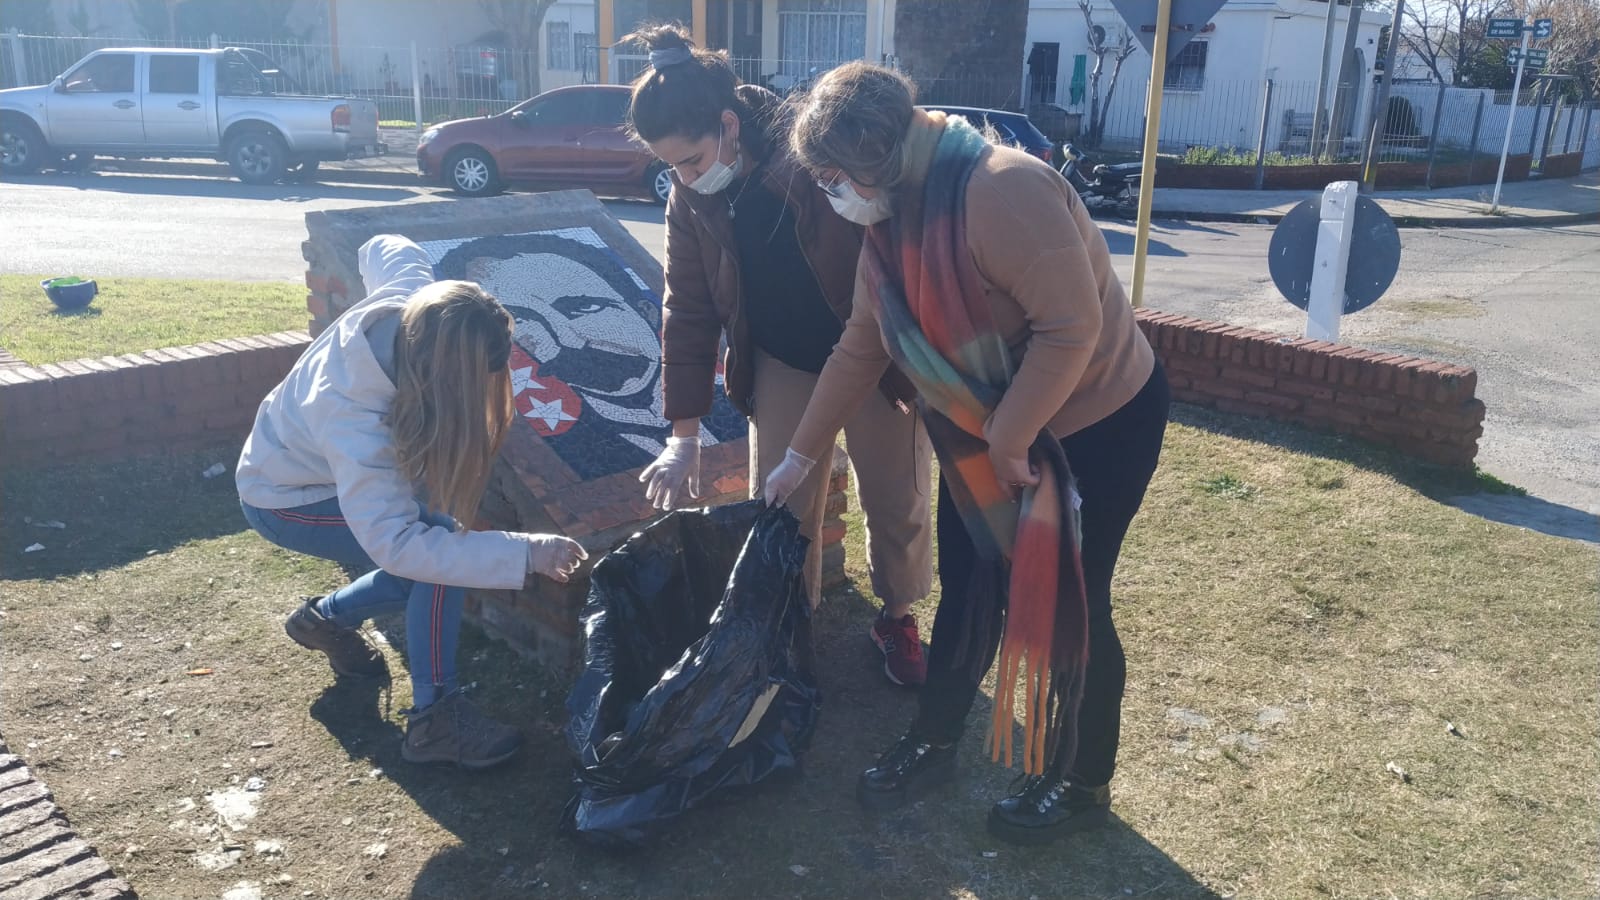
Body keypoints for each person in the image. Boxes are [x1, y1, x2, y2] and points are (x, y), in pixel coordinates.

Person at [764, 63, 1170, 844]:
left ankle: (1082, 780)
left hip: (1096, 419)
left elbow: (1070, 331)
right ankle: (937, 737)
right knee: (971, 585)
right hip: (980, 426)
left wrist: (1012, 438)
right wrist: (798, 457)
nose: (829, 194)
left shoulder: (1003, 189)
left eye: (832, 176)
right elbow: (860, 345)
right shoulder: (889, 219)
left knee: (1070, 605)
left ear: (877, 153)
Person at [622, 25, 936, 686]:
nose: (682, 178)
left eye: (690, 159)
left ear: (730, 126)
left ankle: (898, 615)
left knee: (895, 494)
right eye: (669, 166)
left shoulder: (815, 157)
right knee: (780, 506)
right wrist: (684, 435)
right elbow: (689, 307)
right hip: (783, 360)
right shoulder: (691, 199)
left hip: (873, 354)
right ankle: (788, 625)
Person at [236, 234, 588, 770]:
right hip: (285, 495)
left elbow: (384, 246)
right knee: (433, 561)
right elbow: (399, 545)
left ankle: (323, 620)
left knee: (433, 553)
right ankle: (434, 721)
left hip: (307, 468)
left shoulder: (418, 305)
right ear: (439, 372)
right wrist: (529, 552)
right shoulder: (354, 420)